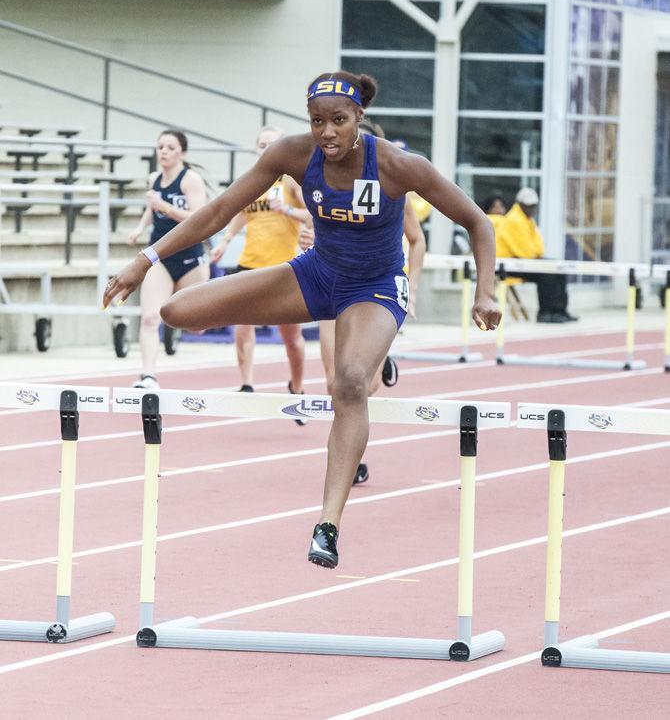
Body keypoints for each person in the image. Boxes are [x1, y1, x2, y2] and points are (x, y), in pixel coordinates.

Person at [104, 70, 500, 570]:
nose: (327, 132)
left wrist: (485, 291)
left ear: (359, 117)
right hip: (315, 276)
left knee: (350, 382)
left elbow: (477, 221)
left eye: (338, 121)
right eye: (317, 121)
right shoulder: (293, 154)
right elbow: (222, 209)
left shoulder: (399, 165)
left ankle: (327, 526)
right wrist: (146, 260)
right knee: (178, 312)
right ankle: (366, 348)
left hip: (374, 287)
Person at [299, 118, 427, 486]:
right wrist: (307, 236)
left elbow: (416, 241)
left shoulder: (392, 184)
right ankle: (347, 460)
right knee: (333, 381)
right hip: (331, 289)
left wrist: (412, 288)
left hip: (376, 293)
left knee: (358, 383)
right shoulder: (324, 182)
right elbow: (311, 228)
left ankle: (352, 455)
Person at [210, 127, 310, 406]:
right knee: (242, 328)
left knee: (291, 338)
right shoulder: (253, 181)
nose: (266, 149)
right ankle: (246, 384)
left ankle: (298, 387)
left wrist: (287, 210)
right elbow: (241, 214)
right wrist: (226, 240)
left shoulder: (291, 181)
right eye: (262, 145)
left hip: (285, 268)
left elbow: (313, 214)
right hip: (250, 264)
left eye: (272, 145)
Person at [126, 129, 209, 388]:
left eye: (170, 147)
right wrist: (140, 227)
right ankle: (148, 375)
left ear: (182, 152)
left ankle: (179, 326)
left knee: (197, 326)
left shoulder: (190, 180)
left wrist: (166, 208)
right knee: (150, 316)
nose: (163, 151)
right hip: (159, 254)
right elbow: (152, 207)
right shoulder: (154, 178)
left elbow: (201, 218)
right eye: (160, 146)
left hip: (189, 255)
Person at [495, 187, 577, 324]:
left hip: (523, 262)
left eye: (533, 206)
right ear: (519, 204)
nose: (531, 209)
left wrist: (535, 254)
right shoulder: (514, 219)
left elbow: (538, 247)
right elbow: (525, 252)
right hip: (508, 265)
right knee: (546, 273)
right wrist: (535, 254)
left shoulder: (528, 220)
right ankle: (545, 312)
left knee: (559, 268)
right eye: (528, 206)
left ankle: (559, 310)